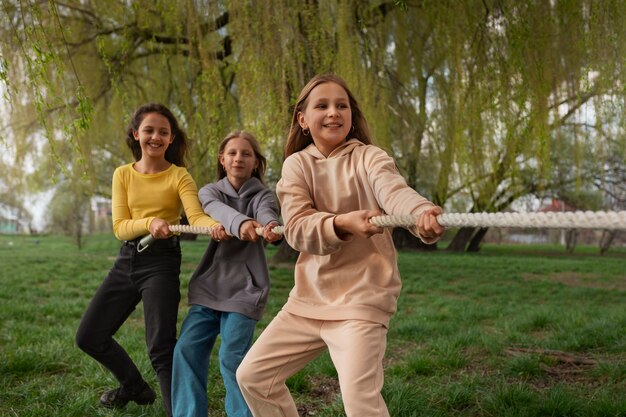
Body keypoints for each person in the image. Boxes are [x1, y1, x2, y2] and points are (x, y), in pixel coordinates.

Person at [236, 74, 445, 417]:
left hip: (361, 300)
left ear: (351, 115)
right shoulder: (297, 165)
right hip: (308, 301)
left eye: (341, 105)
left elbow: (394, 191)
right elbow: (299, 229)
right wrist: (341, 223)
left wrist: (421, 212)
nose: (334, 112)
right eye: (322, 105)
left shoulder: (370, 158)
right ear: (302, 119)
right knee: (253, 376)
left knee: (359, 402)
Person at [76, 103, 219, 417]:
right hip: (127, 260)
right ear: (136, 134)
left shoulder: (179, 176)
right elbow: (119, 227)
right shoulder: (122, 175)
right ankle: (133, 386)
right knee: (88, 336)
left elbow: (196, 217)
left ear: (171, 139)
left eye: (163, 132)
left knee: (161, 349)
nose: (156, 136)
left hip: (162, 263)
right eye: (150, 130)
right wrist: (151, 222)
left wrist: (220, 226)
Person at [172, 131, 282, 417]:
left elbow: (267, 210)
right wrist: (241, 223)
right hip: (210, 286)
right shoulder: (210, 191)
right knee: (185, 349)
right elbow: (215, 209)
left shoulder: (262, 194)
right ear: (222, 159)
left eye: (246, 154)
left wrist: (269, 225)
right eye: (232, 153)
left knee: (232, 357)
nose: (238, 158)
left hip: (246, 288)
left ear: (256, 162)